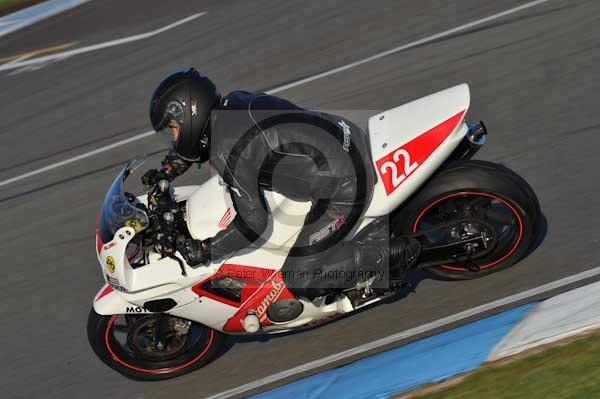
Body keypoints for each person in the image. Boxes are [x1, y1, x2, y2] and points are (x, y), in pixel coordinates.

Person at [143, 67, 420, 299]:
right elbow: (204, 143)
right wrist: (169, 168)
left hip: (345, 185)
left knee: (299, 277)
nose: (175, 137)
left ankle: (388, 254)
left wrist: (206, 249)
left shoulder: (231, 151)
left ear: (191, 114)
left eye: (174, 129)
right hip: (343, 134)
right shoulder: (233, 103)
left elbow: (254, 223)